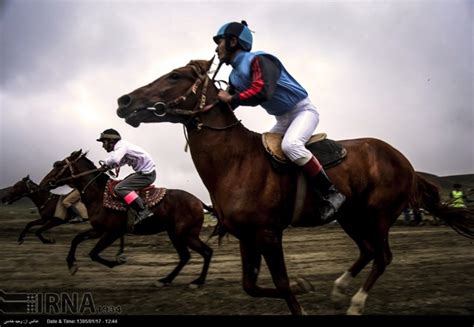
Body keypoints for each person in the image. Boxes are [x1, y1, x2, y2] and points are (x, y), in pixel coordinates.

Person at [213, 20, 345, 222]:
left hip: (303, 111)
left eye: (219, 41)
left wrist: (230, 98)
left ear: (232, 41)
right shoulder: (234, 77)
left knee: (291, 145)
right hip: (283, 118)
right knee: (261, 151)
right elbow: (228, 107)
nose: (216, 47)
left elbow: (262, 90)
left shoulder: (259, 59)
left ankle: (331, 192)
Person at [97, 128, 156, 225]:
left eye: (104, 142)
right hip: (144, 173)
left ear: (111, 141)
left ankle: (142, 210)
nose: (103, 146)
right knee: (122, 184)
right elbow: (121, 162)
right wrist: (106, 167)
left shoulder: (121, 146)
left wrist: (105, 162)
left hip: (147, 175)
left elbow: (115, 159)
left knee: (119, 188)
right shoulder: (123, 147)